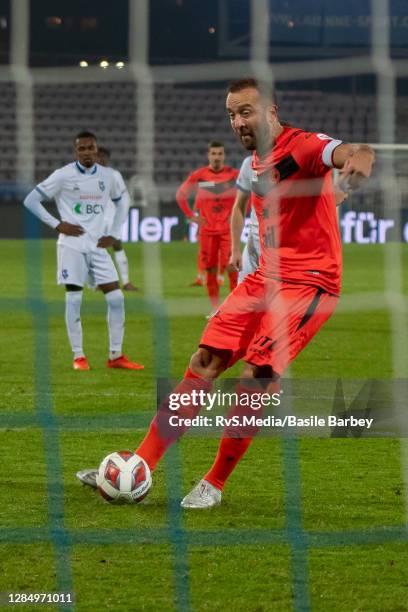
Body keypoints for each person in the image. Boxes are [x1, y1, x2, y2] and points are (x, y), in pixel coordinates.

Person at [77, 79, 374, 504]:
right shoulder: (255, 165)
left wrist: (360, 159)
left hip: (310, 283)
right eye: (232, 114)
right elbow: (299, 206)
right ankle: (139, 464)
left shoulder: (304, 145)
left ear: (271, 110)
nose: (238, 122)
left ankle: (213, 482)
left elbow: (352, 151)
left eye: (246, 112)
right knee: (204, 361)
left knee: (256, 377)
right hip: (263, 278)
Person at [23, 130, 144, 371]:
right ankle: (79, 356)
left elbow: (123, 202)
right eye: (82, 148)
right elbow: (30, 200)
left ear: (96, 150)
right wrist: (58, 224)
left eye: (91, 148)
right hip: (71, 247)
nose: (87, 152)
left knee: (117, 298)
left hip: (98, 247)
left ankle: (116, 356)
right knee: (74, 299)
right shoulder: (63, 175)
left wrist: (114, 233)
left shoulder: (110, 176)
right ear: (75, 151)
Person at [175, 141, 240, 310]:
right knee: (210, 269)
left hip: (228, 231)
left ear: (224, 156)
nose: (217, 157)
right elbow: (181, 195)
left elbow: (249, 193)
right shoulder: (199, 175)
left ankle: (234, 308)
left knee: (232, 267)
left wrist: (239, 213)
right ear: (209, 155)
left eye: (220, 154)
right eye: (214, 154)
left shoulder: (234, 175)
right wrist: (191, 216)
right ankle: (215, 309)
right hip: (207, 231)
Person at [96, 146, 138, 291]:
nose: (100, 159)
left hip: (112, 218)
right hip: (95, 219)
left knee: (117, 246)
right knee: (95, 250)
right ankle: (98, 282)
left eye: (103, 156)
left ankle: (126, 282)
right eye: (98, 156)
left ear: (107, 159)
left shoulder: (114, 175)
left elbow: (124, 196)